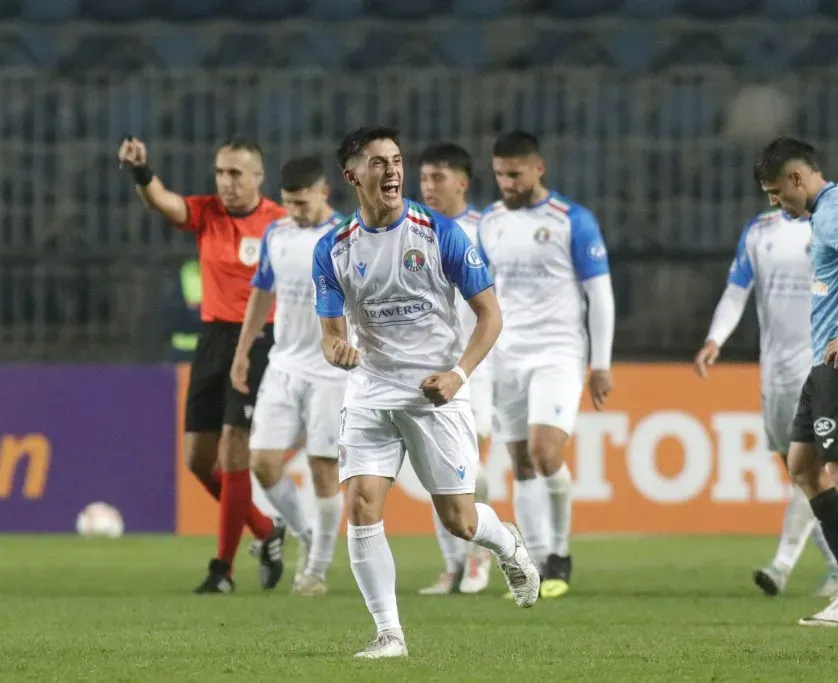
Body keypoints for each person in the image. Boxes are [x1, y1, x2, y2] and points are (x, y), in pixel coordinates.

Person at [312, 126, 540, 658]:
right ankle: (389, 632)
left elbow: (490, 315)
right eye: (377, 163)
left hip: (434, 391)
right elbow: (329, 334)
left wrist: (458, 374)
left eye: (396, 160)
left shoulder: (440, 233)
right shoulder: (333, 249)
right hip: (370, 391)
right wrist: (338, 350)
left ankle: (506, 542)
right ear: (352, 176)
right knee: (362, 505)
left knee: (460, 521)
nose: (392, 170)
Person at [693, 195, 838, 600]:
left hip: (821, 363)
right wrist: (714, 339)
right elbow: (736, 290)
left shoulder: (833, 225)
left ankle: (783, 565)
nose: (774, 196)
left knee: (810, 467)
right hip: (773, 369)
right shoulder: (759, 230)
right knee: (801, 472)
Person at [118, 136, 287, 593]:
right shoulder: (207, 212)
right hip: (212, 340)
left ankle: (222, 571)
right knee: (198, 461)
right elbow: (163, 201)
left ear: (258, 177)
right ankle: (266, 530)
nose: (226, 182)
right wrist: (141, 170)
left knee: (234, 450)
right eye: (220, 172)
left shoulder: (280, 223)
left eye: (236, 173)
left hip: (258, 342)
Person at [752, 137, 838, 626]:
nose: (775, 203)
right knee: (803, 465)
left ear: (796, 178)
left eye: (775, 192)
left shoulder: (833, 214)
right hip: (824, 360)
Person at [477, 131, 615, 600]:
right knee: (519, 460)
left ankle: (560, 552)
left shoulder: (571, 220)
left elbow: (599, 294)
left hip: (557, 351)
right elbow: (480, 294)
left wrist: (601, 362)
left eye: (514, 174)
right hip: (505, 354)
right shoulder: (491, 222)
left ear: (539, 169)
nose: (506, 183)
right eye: (499, 174)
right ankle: (532, 562)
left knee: (544, 451)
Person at [230, 157, 346, 596]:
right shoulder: (276, 234)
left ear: (323, 193)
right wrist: (243, 351)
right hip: (284, 363)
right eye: (287, 203)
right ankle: (306, 532)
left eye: (301, 202)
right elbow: (262, 292)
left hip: (331, 371)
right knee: (262, 462)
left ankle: (316, 568)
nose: (294, 210)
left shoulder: (347, 238)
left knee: (323, 469)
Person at [417, 141, 494, 596]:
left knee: (472, 468)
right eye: (424, 178)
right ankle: (453, 565)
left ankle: (480, 551)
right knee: (436, 468)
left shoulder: (488, 230)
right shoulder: (413, 230)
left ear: (462, 182)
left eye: (438, 178)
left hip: (479, 366)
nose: (428, 186)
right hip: (431, 365)